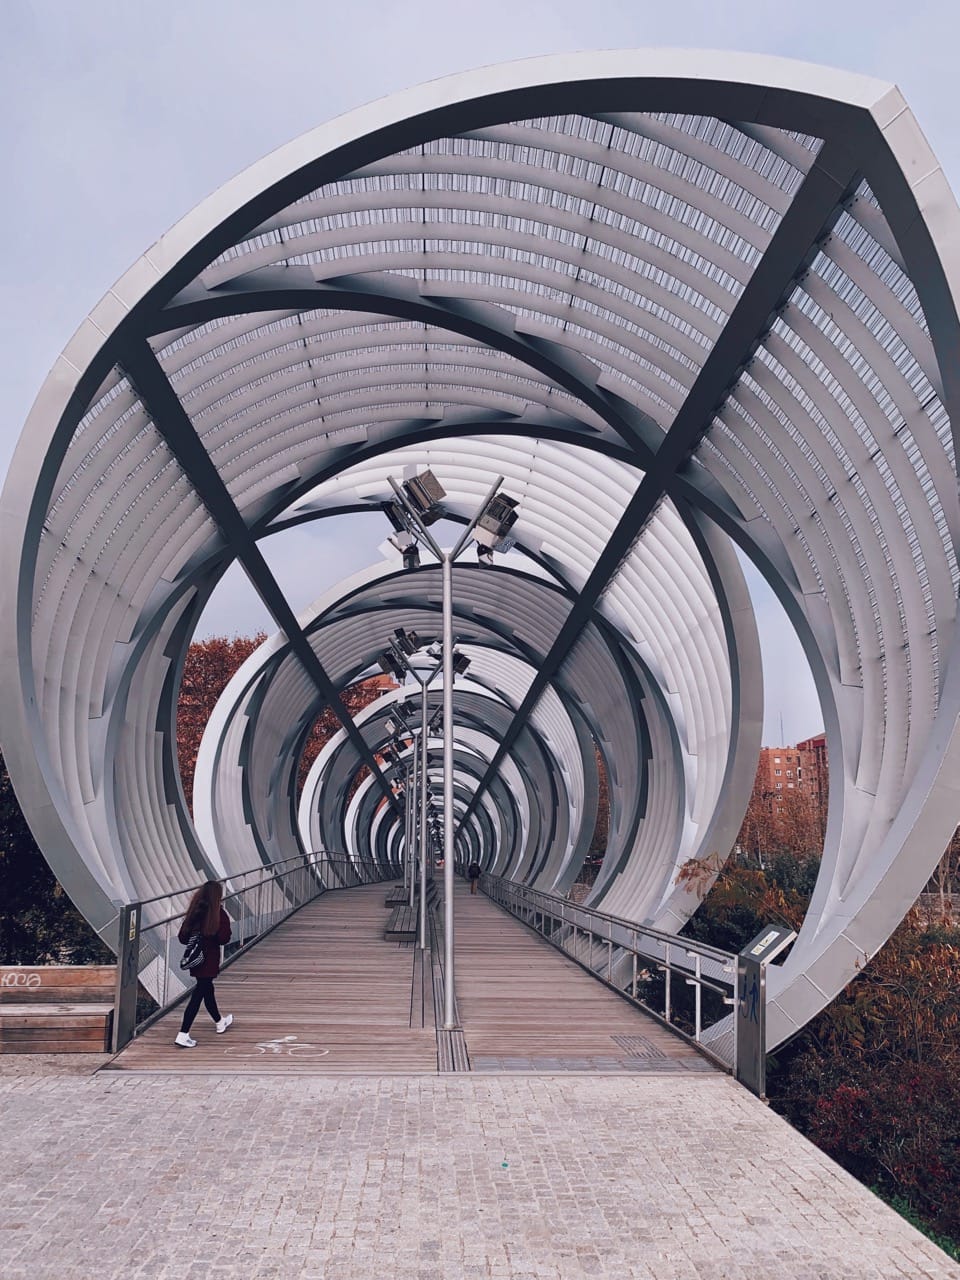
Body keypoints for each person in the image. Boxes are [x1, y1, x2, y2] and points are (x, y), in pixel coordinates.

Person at [174, 880, 233, 1048]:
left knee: (207, 989)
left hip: (196, 959)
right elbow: (224, 939)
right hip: (209, 959)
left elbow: (182, 938)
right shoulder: (218, 914)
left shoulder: (195, 912)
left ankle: (219, 1022)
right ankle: (183, 1033)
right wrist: (211, 934)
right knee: (199, 994)